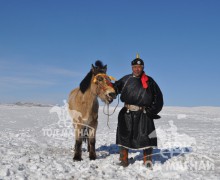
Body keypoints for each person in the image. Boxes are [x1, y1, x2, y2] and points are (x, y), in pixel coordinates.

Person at [113, 54, 163, 167]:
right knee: (124, 136)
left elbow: (158, 97)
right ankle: (123, 160)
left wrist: (152, 111)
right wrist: (108, 85)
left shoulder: (150, 81)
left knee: (148, 138)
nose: (137, 69)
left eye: (139, 67)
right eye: (135, 67)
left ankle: (148, 162)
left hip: (144, 113)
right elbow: (115, 88)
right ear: (132, 67)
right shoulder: (126, 79)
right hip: (127, 113)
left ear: (143, 68)